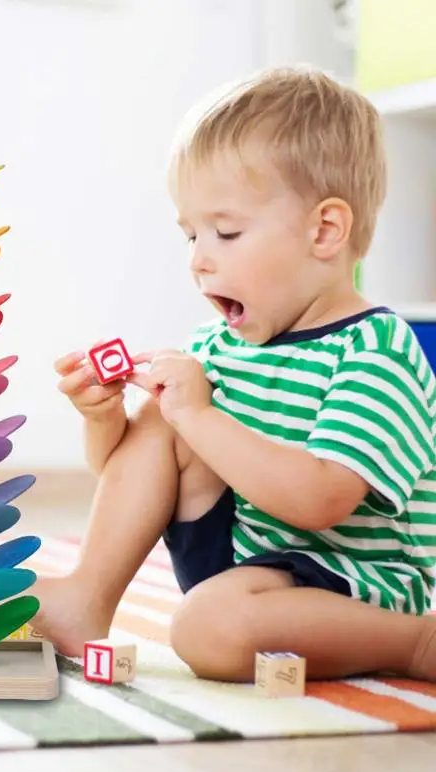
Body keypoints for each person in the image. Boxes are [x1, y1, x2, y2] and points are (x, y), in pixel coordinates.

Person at [34, 65, 436, 683]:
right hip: (243, 569)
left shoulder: (379, 351)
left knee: (206, 630)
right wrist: (106, 419)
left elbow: (318, 500)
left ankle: (415, 643)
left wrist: (198, 413)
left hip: (350, 587)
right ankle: (86, 597)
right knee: (163, 420)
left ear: (325, 230)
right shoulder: (218, 347)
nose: (198, 259)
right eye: (190, 233)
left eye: (225, 232)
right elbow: (130, 477)